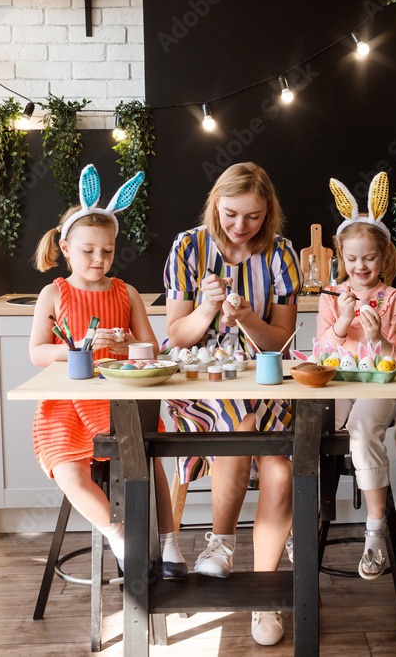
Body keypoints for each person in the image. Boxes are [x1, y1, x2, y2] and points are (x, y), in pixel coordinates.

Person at [163, 162, 301, 646]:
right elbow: (176, 338)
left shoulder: (282, 253)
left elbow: (281, 343)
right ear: (215, 205)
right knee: (240, 422)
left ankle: (261, 595)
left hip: (264, 382)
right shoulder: (188, 247)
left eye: (254, 217)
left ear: (269, 214)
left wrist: (245, 319)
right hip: (199, 382)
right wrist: (205, 309)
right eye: (230, 214)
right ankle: (221, 544)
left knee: (281, 472)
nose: (241, 227)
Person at [29, 165, 187, 580]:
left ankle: (167, 542)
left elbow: (151, 347)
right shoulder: (54, 293)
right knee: (67, 468)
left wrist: (122, 347)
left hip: (117, 398)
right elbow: (37, 352)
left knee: (147, 459)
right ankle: (119, 535)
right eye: (88, 250)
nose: (99, 259)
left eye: (108, 250)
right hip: (66, 401)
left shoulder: (126, 292)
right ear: (65, 247)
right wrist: (78, 348)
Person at [316, 173, 396, 580]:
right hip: (338, 387)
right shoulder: (331, 296)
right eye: (353, 259)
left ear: (383, 256)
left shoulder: (392, 299)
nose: (360, 267)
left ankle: (374, 535)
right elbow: (321, 354)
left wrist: (378, 338)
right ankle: (303, 523)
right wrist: (341, 323)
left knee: (360, 431)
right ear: (341, 255)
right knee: (307, 432)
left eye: (369, 258)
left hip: (379, 390)